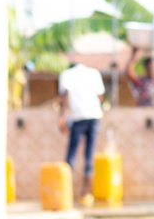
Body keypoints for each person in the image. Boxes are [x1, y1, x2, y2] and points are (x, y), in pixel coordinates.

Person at [58, 58, 105, 206]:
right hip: (94, 116)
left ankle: (65, 192)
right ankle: (86, 193)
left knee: (71, 155)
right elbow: (101, 96)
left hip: (78, 117)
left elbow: (64, 97)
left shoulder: (66, 74)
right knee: (88, 155)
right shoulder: (93, 73)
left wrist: (61, 117)